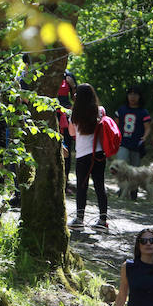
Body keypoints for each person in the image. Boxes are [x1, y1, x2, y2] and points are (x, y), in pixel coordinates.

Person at [68, 83, 109, 232]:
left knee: (81, 186)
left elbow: (72, 134)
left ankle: (79, 219)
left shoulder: (74, 113)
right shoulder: (100, 111)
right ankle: (103, 220)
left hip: (82, 154)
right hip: (99, 153)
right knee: (100, 185)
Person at [115, 85, 152, 198]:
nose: (132, 97)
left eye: (135, 94)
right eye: (130, 94)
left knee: (135, 169)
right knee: (121, 165)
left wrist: (145, 137)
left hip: (136, 144)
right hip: (123, 142)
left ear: (140, 97)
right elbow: (115, 125)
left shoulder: (143, 112)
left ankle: (133, 191)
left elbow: (147, 127)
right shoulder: (121, 110)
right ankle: (122, 189)